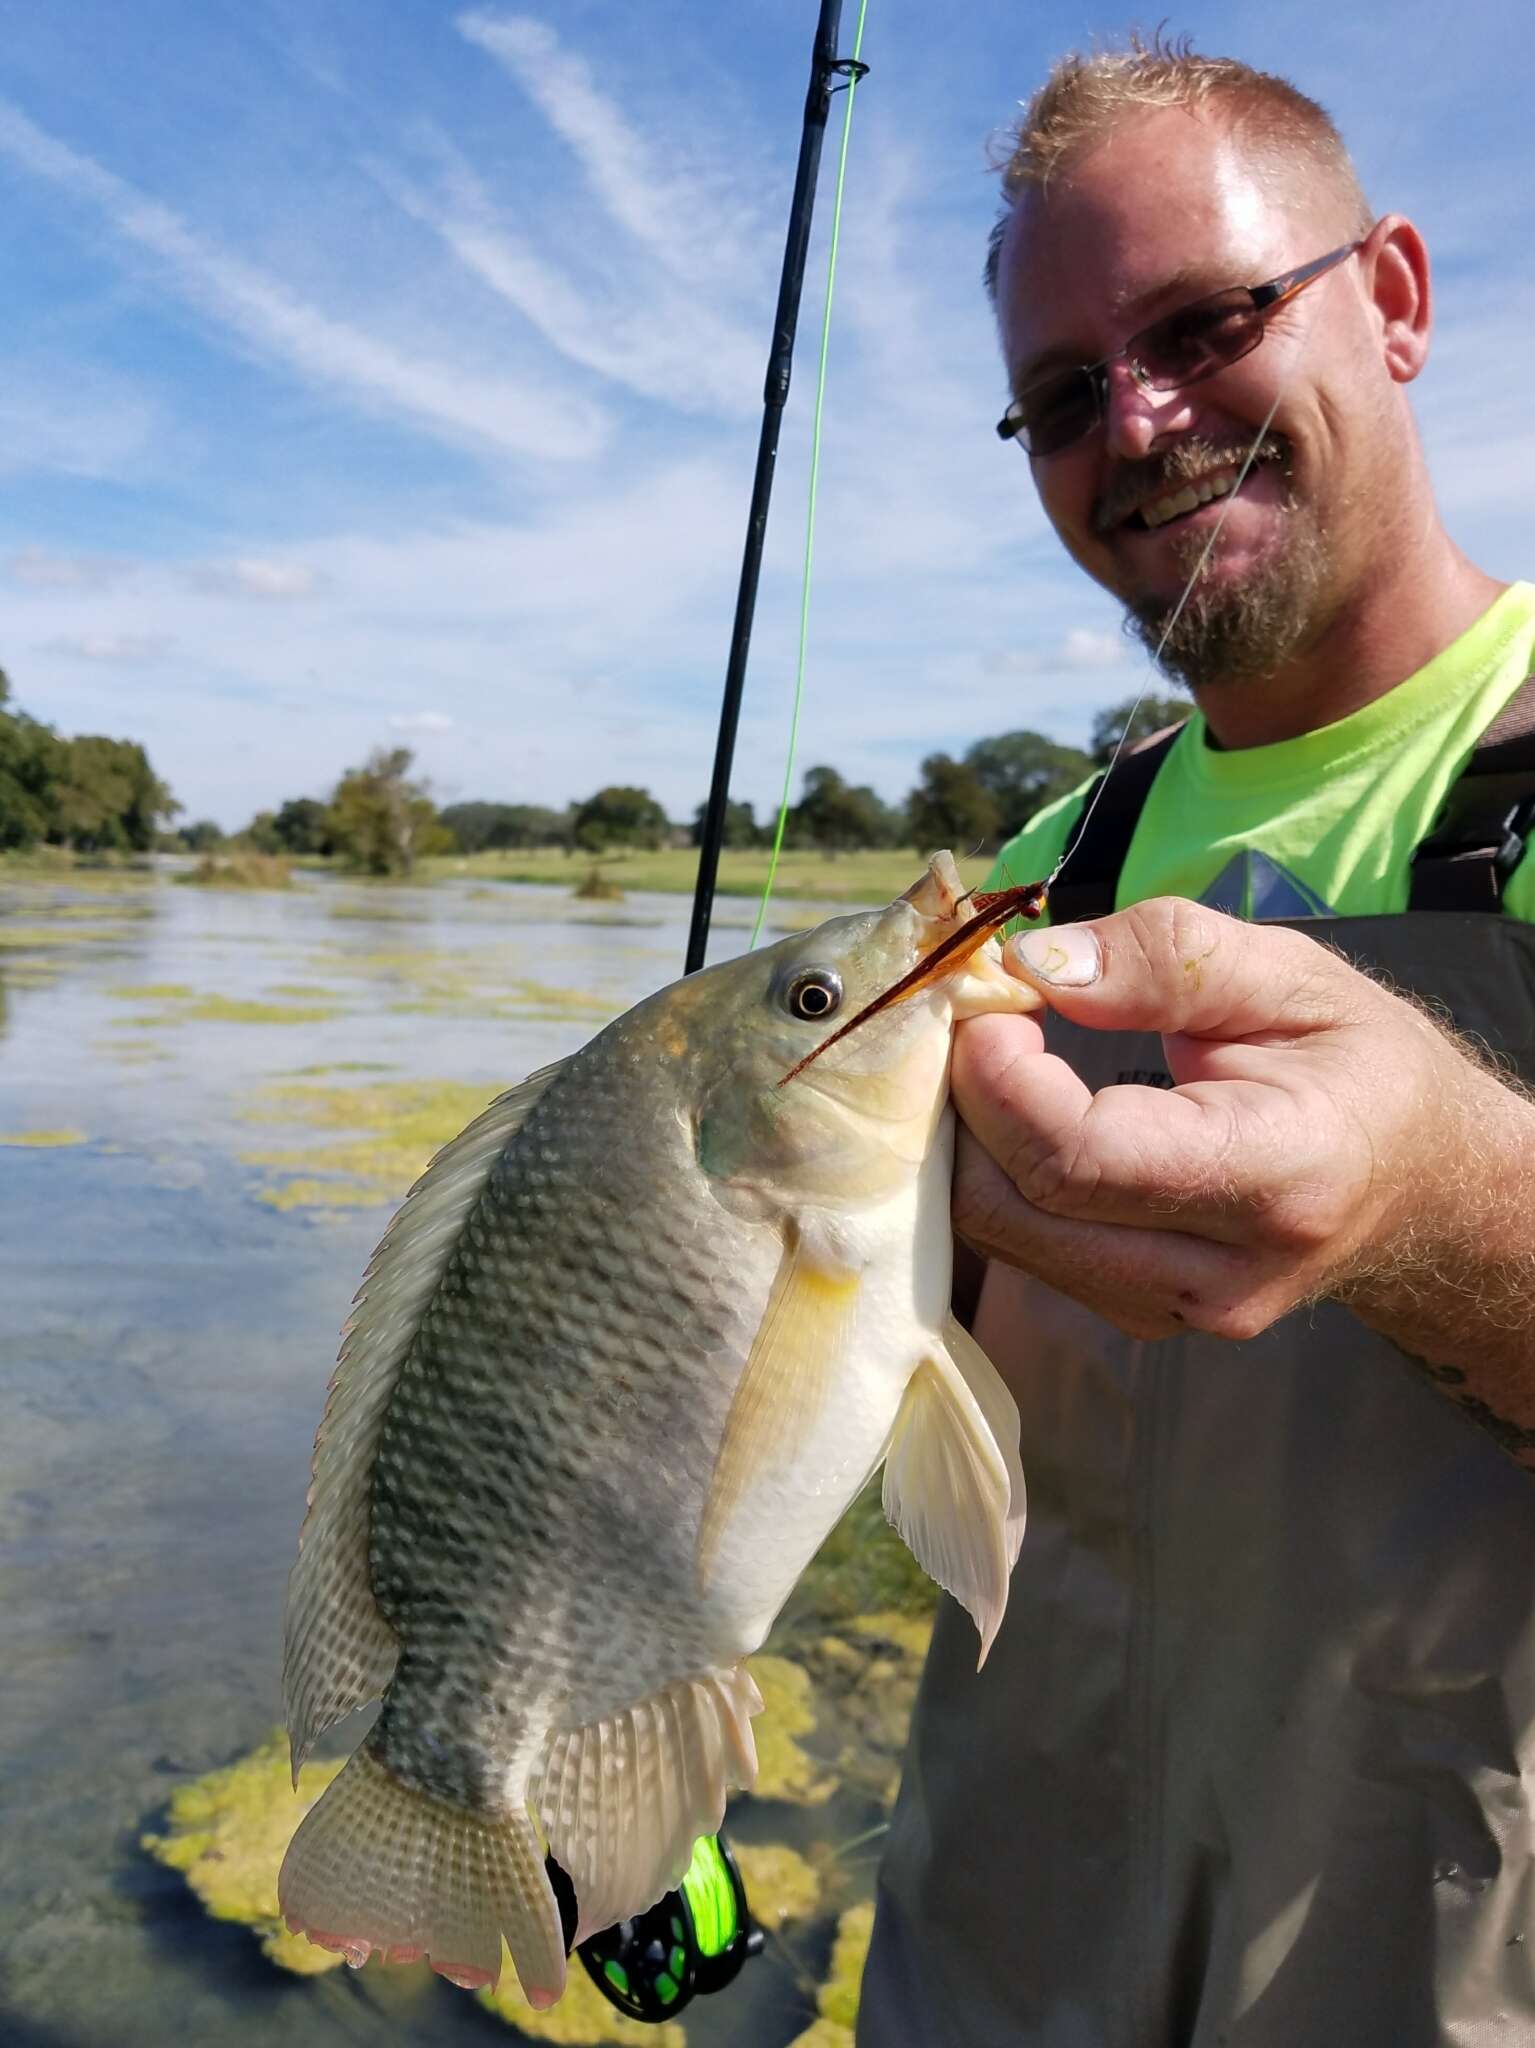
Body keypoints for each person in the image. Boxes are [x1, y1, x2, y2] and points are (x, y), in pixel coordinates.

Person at [859, 38, 1535, 2047]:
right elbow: (862, 1364)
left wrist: (1438, 1185)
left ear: (1394, 297)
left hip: (1415, 1946)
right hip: (999, 1931)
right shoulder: (1047, 871)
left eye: (1205, 322)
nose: (1138, 423)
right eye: (1064, 396)